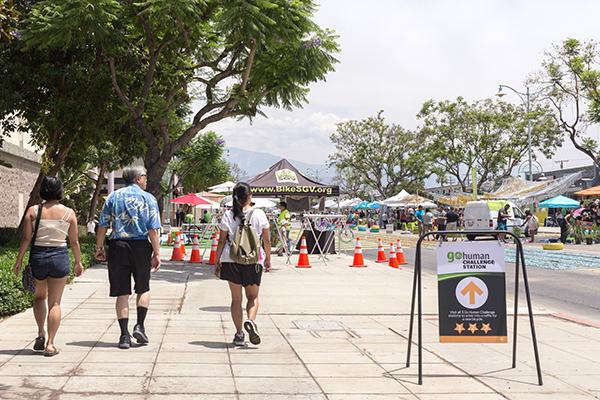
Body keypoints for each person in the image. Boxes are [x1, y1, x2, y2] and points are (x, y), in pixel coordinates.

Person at [13, 176, 83, 356]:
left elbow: (27, 238)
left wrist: (19, 260)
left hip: (38, 257)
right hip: (59, 257)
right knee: (55, 303)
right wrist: (78, 262)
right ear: (60, 190)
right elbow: (74, 241)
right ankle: (51, 344)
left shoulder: (33, 211)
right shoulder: (69, 213)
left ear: (43, 190)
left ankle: (40, 333)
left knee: (38, 298)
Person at [95, 166, 161, 349]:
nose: (146, 180)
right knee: (143, 288)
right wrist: (156, 253)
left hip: (118, 246)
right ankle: (139, 325)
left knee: (122, 293)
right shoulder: (148, 198)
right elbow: (153, 230)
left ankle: (124, 335)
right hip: (140, 246)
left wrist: (99, 247)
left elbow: (102, 225)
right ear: (139, 178)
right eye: (145, 177)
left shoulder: (113, 197)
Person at [215, 182, 271, 346]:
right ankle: (251, 321)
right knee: (253, 297)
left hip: (231, 260)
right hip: (253, 261)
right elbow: (266, 239)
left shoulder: (228, 215)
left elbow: (221, 241)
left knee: (236, 300)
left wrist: (217, 261)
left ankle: (239, 334)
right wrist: (268, 258)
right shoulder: (259, 214)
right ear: (250, 196)